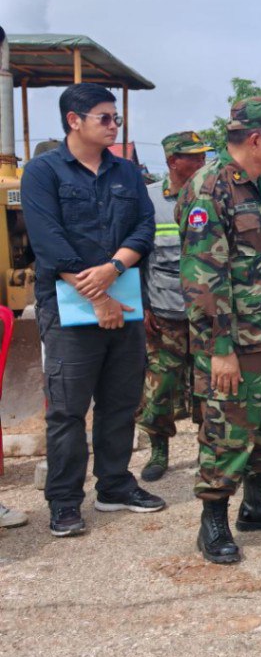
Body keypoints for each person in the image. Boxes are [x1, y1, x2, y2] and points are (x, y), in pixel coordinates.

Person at [22, 83, 166, 537]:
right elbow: (47, 241)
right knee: (68, 410)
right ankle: (65, 500)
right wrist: (99, 296)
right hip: (68, 309)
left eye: (115, 117)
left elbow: (145, 226)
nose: (113, 125)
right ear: (74, 120)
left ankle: (115, 486)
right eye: (105, 117)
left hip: (124, 299)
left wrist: (114, 267)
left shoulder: (126, 171)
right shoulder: (42, 172)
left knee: (120, 401)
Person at [177, 96, 261, 564]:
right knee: (226, 431)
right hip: (235, 342)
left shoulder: (258, 186)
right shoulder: (208, 188)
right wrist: (220, 349)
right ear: (256, 139)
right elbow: (203, 278)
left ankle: (258, 503)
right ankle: (212, 521)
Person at [137, 131, 212, 481]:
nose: (201, 162)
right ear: (172, 162)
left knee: (208, 385)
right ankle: (158, 450)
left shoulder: (212, 195)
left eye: (203, 156)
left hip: (207, 313)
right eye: (193, 157)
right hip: (164, 313)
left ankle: (207, 450)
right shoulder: (148, 200)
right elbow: (137, 256)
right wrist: (142, 305)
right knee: (160, 387)